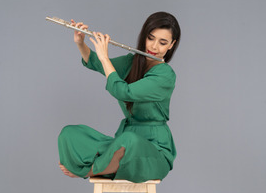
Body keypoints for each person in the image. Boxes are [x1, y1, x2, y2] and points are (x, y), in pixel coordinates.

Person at [58, 11, 181, 183]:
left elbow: (124, 92)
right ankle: (109, 166)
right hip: (124, 141)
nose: (154, 47)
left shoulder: (165, 75)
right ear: (144, 36)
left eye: (162, 43)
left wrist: (105, 57)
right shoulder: (132, 62)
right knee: (69, 134)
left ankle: (88, 170)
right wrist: (81, 43)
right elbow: (96, 62)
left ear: (171, 45)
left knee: (128, 141)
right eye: (151, 38)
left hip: (154, 153)